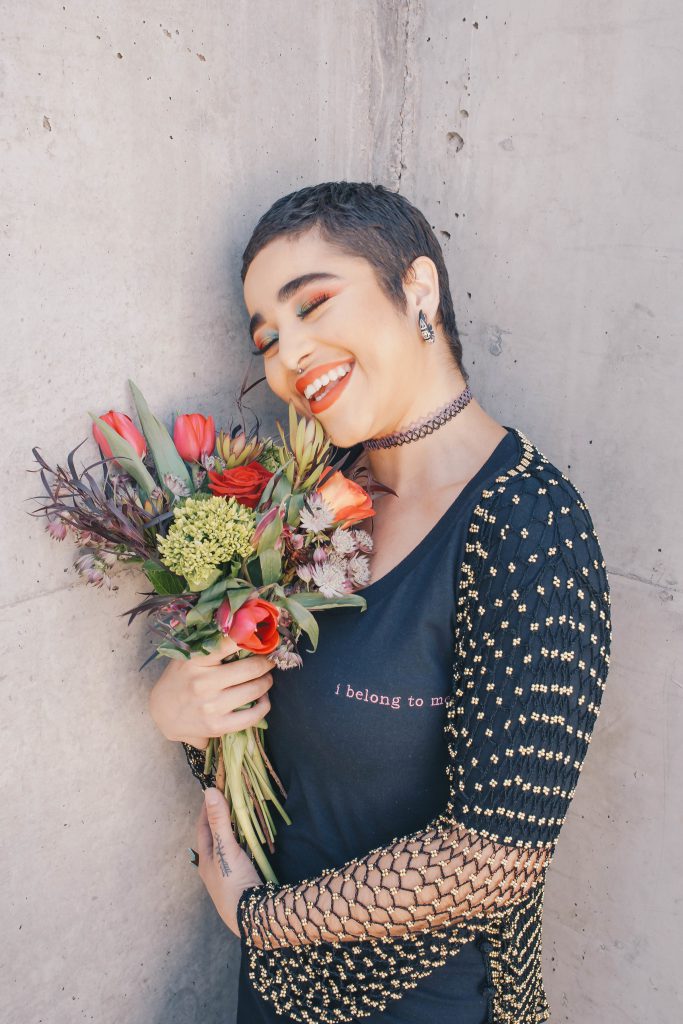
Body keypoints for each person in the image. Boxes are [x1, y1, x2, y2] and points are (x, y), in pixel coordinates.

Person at [149, 181, 612, 1024]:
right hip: (276, 990)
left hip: (420, 1001)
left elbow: (492, 856)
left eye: (314, 304)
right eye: (268, 337)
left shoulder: (526, 525)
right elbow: (275, 752)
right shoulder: (309, 507)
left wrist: (261, 919)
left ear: (418, 289)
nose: (289, 353)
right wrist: (187, 714)